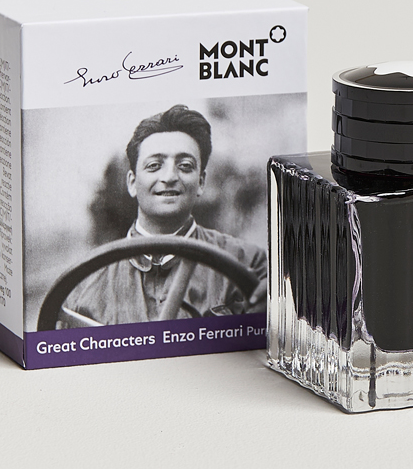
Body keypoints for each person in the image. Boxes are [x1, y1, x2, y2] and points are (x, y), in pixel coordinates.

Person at [57, 104, 267, 326]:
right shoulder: (84, 282)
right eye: (154, 165)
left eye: (185, 166)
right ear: (132, 183)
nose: (169, 177)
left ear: (201, 183)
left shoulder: (249, 262)